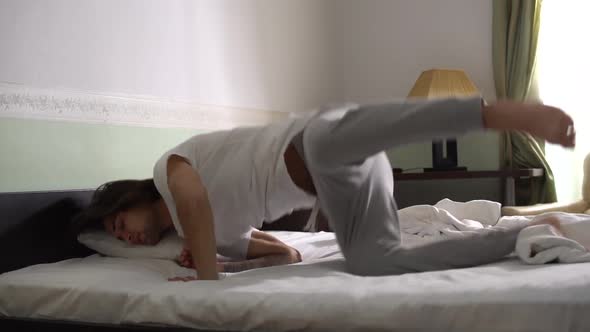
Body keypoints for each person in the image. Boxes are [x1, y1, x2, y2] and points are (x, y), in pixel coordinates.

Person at [73, 96, 576, 280]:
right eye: (119, 239)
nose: (127, 237)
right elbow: (287, 256)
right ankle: (517, 235)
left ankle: (499, 114)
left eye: (120, 224)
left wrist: (207, 278)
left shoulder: (169, 169)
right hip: (350, 182)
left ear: (130, 199)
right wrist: (227, 263)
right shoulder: (206, 240)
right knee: (373, 262)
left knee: (391, 125)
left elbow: (196, 202)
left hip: (317, 143)